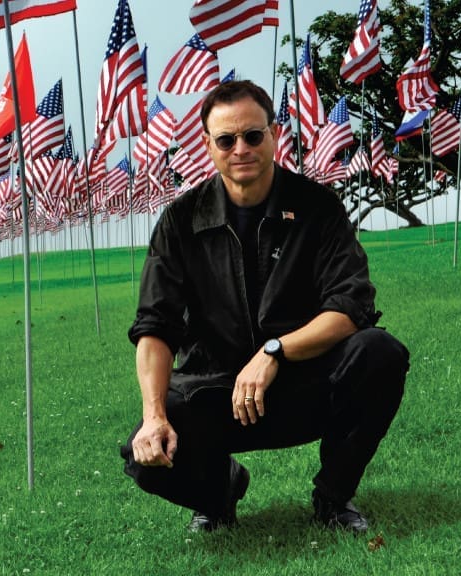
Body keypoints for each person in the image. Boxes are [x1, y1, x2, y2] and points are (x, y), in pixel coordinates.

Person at [120, 80, 409, 534]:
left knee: (380, 354)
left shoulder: (317, 207)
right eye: (226, 139)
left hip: (302, 382)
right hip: (214, 392)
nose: (241, 148)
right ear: (207, 144)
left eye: (253, 135)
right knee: (146, 453)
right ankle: (219, 493)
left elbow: (351, 304)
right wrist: (154, 415)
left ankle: (333, 498)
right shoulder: (180, 221)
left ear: (273, 134)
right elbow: (155, 326)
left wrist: (276, 350)